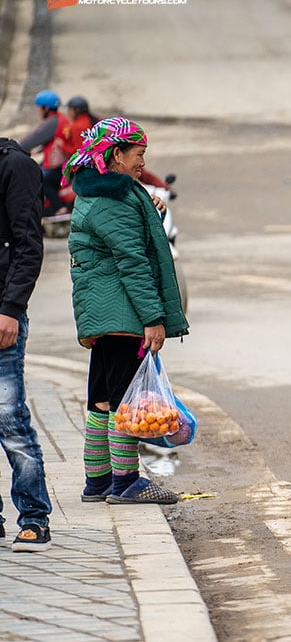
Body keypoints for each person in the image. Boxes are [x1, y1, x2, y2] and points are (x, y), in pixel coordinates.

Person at [64, 117, 188, 505]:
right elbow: (133, 262)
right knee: (123, 400)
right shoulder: (113, 202)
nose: (141, 162)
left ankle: (97, 480)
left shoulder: (105, 191)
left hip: (105, 313)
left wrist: (145, 203)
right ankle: (126, 482)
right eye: (138, 155)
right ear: (116, 154)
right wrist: (153, 319)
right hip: (121, 312)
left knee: (101, 397)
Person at [0, 137, 53, 551]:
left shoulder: (16, 167)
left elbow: (28, 246)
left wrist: (11, 308)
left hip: (2, 313)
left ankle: (34, 516)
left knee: (9, 419)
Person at [19, 89, 73, 217]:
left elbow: (30, 141)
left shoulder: (52, 123)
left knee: (39, 179)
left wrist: (16, 147)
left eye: (39, 108)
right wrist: (40, 149)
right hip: (65, 162)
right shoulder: (61, 119)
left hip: (61, 166)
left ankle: (58, 209)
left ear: (46, 108)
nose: (38, 110)